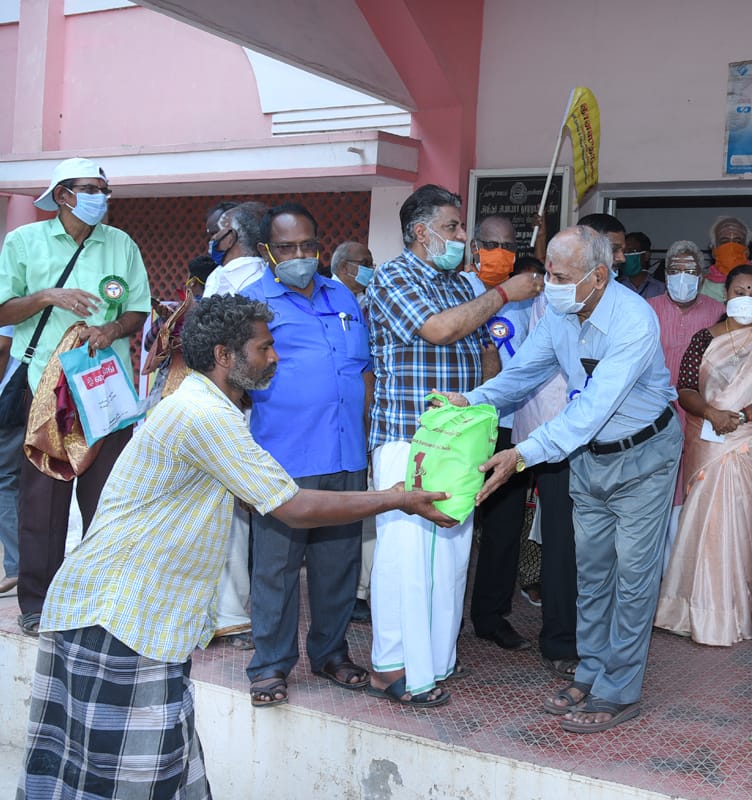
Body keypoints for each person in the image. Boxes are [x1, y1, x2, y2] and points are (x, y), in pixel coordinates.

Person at [17, 294, 454, 800]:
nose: (275, 357)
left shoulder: (206, 406)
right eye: (265, 347)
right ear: (224, 355)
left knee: (157, 774)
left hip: (133, 617)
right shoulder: (205, 415)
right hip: (117, 616)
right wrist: (398, 498)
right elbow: (293, 506)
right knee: (121, 782)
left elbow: (260, 495)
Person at [448, 225, 681, 733]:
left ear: (598, 276)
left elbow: (593, 407)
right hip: (587, 456)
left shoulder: (634, 320)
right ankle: (592, 669)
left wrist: (521, 454)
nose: (548, 284)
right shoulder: (559, 311)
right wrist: (472, 399)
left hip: (644, 457)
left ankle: (619, 689)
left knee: (633, 576)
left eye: (560, 276)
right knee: (590, 571)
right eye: (549, 273)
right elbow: (523, 374)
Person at [365, 184, 542, 707]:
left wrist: (485, 400)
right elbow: (439, 330)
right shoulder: (394, 276)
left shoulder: (459, 283)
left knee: (449, 559)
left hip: (458, 443)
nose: (463, 236)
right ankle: (393, 666)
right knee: (405, 558)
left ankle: (436, 659)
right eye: (453, 227)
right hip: (410, 439)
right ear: (421, 233)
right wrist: (504, 293)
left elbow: (482, 351)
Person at [0, 157, 151, 637]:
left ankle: (99, 599)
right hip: (45, 386)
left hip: (106, 388)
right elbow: (3, 308)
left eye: (104, 190)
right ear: (64, 195)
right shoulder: (24, 241)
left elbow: (137, 309)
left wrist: (112, 329)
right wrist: (49, 296)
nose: (101, 198)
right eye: (91, 189)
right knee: (42, 498)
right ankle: (38, 603)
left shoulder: (121, 244)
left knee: (108, 497)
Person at [238, 203, 373, 706]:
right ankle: (270, 666)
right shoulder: (251, 303)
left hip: (345, 452)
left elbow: (362, 369)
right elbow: (234, 379)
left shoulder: (343, 296)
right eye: (287, 247)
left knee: (338, 564)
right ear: (267, 252)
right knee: (276, 569)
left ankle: (331, 653)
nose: (300, 255)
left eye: (308, 245)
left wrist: (367, 438)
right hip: (284, 458)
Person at [656, 265, 752, 645]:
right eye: (739, 291)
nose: (746, 298)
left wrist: (744, 415)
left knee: (742, 533)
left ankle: (732, 617)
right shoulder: (703, 339)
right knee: (700, 527)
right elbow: (685, 389)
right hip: (708, 441)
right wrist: (712, 413)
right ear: (726, 295)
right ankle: (686, 612)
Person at [509, 255, 581, 681]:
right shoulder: (549, 307)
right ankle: (560, 641)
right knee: (562, 544)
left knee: (596, 548)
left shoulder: (623, 311)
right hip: (554, 441)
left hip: (603, 442)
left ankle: (593, 635)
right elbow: (526, 372)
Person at [202, 201, 269, 649]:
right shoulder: (270, 275)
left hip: (231, 399)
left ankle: (227, 614)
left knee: (227, 509)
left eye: (217, 231)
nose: (212, 238)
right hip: (259, 404)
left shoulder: (224, 279)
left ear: (233, 233)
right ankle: (236, 612)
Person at [470, 215, 536, 652]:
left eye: (509, 246)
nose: (500, 253)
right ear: (475, 247)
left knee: (504, 528)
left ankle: (491, 616)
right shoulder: (460, 291)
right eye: (492, 245)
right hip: (465, 425)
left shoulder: (529, 299)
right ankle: (442, 616)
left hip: (512, 426)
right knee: (452, 522)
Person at [646, 241, 725, 559]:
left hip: (699, 415)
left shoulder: (717, 312)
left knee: (692, 492)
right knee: (655, 493)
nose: (682, 277)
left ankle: (680, 568)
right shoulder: (646, 309)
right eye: (675, 270)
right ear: (665, 275)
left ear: (702, 277)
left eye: (690, 270)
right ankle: (656, 570)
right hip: (654, 415)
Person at [329, 239, 376, 620]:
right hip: (334, 426)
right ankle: (345, 595)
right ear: (345, 267)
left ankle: (355, 592)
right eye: (366, 262)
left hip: (356, 426)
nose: (371, 269)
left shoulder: (362, 305)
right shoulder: (331, 303)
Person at [203, 202, 267, 298]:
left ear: (230, 238)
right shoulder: (217, 274)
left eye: (217, 231)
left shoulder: (252, 282)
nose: (213, 238)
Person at [0, 325, 21, 596]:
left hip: (9, 394)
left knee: (5, 481)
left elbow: (2, 346)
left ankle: (17, 566)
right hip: (20, 391)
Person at [702, 216, 752, 302]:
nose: (731, 247)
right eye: (725, 242)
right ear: (714, 251)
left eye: (737, 242)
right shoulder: (701, 288)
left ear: (747, 251)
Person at [617, 231, 665, 299]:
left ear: (646, 255)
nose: (626, 256)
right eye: (623, 252)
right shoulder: (616, 286)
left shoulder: (661, 289)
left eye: (631, 251)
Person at [331, 240, 375, 308]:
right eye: (365, 263)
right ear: (344, 267)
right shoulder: (325, 298)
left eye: (371, 265)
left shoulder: (364, 301)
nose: (371, 269)